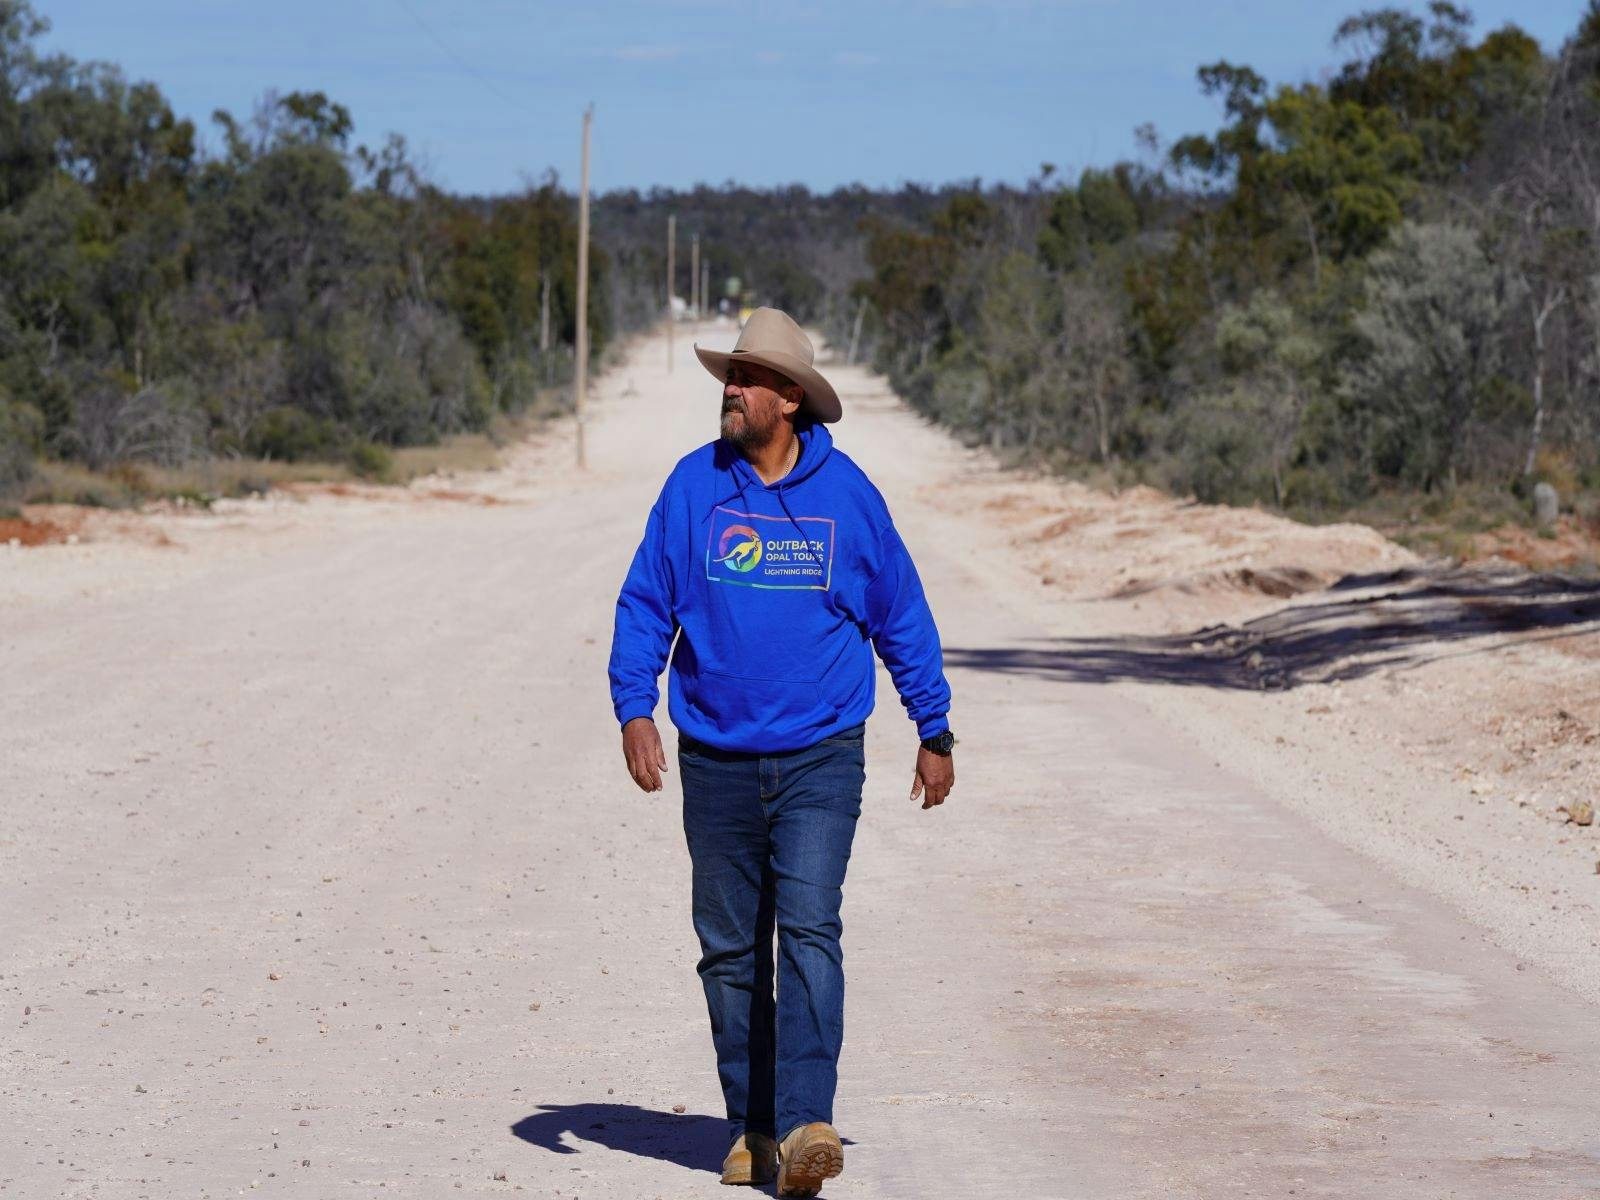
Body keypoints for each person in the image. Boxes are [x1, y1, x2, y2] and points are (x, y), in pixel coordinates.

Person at [608, 306, 955, 1196]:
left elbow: (901, 616)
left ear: (790, 399)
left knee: (807, 931)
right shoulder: (695, 488)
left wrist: (934, 727)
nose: (731, 388)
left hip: (820, 757)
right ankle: (751, 1126)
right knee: (728, 951)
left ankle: (806, 1122)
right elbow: (647, 600)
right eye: (730, 374)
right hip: (714, 757)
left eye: (749, 378)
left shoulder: (850, 500)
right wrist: (634, 706)